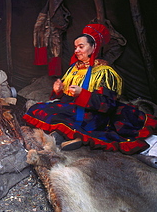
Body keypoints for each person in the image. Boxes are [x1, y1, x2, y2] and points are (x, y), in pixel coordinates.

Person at [23, 23, 157, 157]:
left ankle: (74, 136)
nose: (76, 51)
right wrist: (59, 90)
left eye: (81, 47)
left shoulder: (104, 72)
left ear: (93, 47)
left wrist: (83, 94)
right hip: (75, 108)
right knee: (38, 109)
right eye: (76, 47)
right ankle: (68, 136)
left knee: (76, 120)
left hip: (96, 113)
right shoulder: (74, 69)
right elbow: (66, 98)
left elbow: (108, 105)